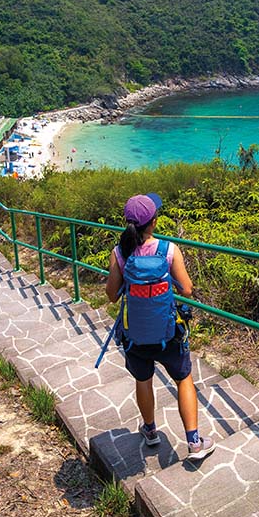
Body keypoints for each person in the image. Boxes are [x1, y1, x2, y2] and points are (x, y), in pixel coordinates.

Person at [105, 193, 216, 461]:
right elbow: (187, 289)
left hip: (135, 334)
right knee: (183, 379)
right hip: (168, 332)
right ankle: (194, 443)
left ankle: (151, 430)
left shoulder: (119, 253)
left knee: (143, 380)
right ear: (154, 221)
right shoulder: (168, 250)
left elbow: (111, 295)